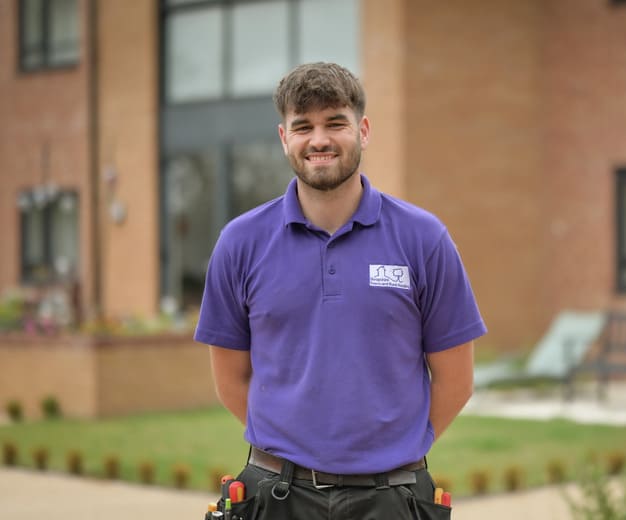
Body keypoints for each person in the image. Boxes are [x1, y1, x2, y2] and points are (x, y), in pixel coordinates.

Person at [194, 62, 486, 520]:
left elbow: (456, 381)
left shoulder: (423, 239)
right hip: (276, 497)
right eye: (303, 127)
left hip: (392, 498)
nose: (319, 140)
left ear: (363, 131)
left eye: (335, 123)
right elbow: (231, 380)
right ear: (284, 138)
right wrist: (295, 450)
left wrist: (392, 451)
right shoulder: (240, 243)